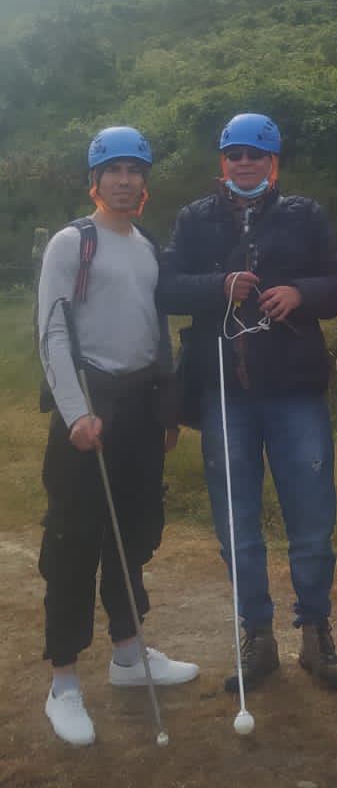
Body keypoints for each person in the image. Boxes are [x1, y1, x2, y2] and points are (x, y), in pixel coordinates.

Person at [159, 113, 337, 692]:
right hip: (223, 392)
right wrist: (217, 285)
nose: (246, 163)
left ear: (274, 163)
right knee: (237, 521)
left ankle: (316, 634)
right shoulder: (194, 219)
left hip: (296, 391)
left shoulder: (306, 214)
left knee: (312, 518)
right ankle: (258, 635)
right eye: (236, 154)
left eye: (257, 155)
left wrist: (303, 292)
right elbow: (166, 287)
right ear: (223, 162)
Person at [38, 126, 199, 748]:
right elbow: (53, 333)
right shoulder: (71, 244)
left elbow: (154, 334)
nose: (126, 181)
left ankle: (129, 654)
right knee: (74, 544)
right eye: (114, 170)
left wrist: (164, 414)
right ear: (95, 179)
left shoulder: (148, 244)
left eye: (135, 170)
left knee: (134, 534)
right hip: (88, 411)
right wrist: (76, 413)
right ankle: (64, 683)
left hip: (137, 409)